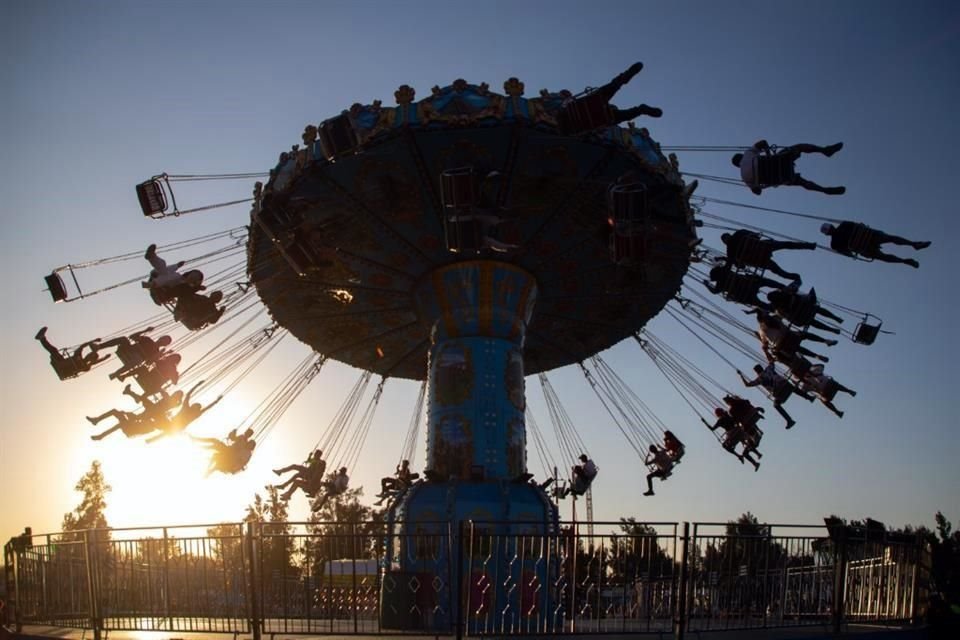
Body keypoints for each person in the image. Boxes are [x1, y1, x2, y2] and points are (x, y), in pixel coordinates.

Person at [556, 62, 662, 134]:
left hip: (586, 113)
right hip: (593, 112)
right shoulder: (606, 114)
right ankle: (624, 79)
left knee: (615, 98)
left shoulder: (567, 114)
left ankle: (640, 108)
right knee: (612, 88)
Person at [732, 140, 845, 196]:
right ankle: (824, 150)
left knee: (802, 183)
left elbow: (757, 192)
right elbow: (763, 142)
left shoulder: (745, 179)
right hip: (781, 161)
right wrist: (768, 155)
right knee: (799, 147)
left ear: (738, 166)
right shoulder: (747, 154)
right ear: (741, 156)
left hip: (783, 177)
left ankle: (825, 190)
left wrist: (759, 183)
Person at [87, 385, 183, 441]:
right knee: (116, 412)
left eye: (176, 394)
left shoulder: (174, 402)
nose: (174, 395)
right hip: (150, 411)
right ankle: (96, 421)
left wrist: (162, 390)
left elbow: (169, 400)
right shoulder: (170, 400)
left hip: (151, 413)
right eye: (175, 394)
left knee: (142, 401)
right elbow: (163, 393)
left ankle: (130, 393)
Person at [820, 221, 930, 268]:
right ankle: (913, 244)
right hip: (870, 237)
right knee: (890, 239)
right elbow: (859, 226)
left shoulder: (834, 244)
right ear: (832, 226)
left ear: (827, 233)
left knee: (885, 256)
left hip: (865, 247)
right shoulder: (844, 225)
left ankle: (905, 260)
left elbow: (848, 253)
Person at [721, 230, 816, 282]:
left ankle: (794, 277)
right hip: (764, 247)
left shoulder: (730, 251)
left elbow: (737, 265)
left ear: (725, 242)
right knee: (787, 245)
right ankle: (809, 246)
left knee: (778, 271)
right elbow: (755, 235)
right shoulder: (739, 233)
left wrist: (725, 265)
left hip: (760, 259)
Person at [738, 364, 811, 429]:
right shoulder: (769, 368)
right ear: (762, 368)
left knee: (776, 405)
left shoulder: (759, 379)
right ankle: (808, 397)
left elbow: (747, 385)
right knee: (792, 388)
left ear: (756, 372)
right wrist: (766, 351)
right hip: (786, 385)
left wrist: (741, 376)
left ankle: (789, 420)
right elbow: (772, 361)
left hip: (780, 393)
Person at [145, 381, 222, 443]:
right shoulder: (191, 410)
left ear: (195, 407)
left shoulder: (192, 411)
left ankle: (150, 428)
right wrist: (197, 385)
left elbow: (205, 407)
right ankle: (150, 432)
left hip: (175, 425)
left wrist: (215, 401)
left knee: (163, 429)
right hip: (175, 425)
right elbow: (188, 395)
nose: (193, 406)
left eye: (195, 406)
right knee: (163, 429)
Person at [96, 329, 174, 380]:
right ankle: (99, 346)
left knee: (138, 360)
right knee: (124, 339)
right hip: (129, 350)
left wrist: (162, 354)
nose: (162, 341)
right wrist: (145, 330)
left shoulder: (157, 352)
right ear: (160, 338)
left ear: (165, 344)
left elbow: (149, 362)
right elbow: (132, 337)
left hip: (136, 358)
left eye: (165, 341)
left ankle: (116, 373)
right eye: (163, 339)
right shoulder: (148, 340)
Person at [35, 327, 108, 380]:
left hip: (64, 370)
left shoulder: (86, 366)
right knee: (54, 350)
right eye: (90, 354)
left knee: (54, 352)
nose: (88, 355)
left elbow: (94, 363)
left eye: (91, 356)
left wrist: (104, 358)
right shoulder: (78, 356)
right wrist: (92, 341)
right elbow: (82, 347)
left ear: (91, 359)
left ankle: (42, 338)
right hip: (61, 363)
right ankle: (42, 338)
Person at [705, 263, 786, 308]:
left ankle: (772, 308)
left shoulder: (720, 284)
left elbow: (714, 291)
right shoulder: (725, 271)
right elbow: (730, 260)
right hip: (748, 284)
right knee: (764, 282)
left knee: (759, 303)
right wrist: (722, 259)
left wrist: (707, 284)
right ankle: (782, 287)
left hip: (744, 294)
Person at [766, 287, 843, 333]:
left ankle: (832, 328)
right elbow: (794, 299)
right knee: (816, 309)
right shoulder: (783, 299)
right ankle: (834, 318)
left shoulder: (778, 307)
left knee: (812, 321)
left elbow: (786, 316)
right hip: (803, 310)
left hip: (800, 317)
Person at [114, 352, 182, 395]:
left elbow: (174, 382)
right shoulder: (163, 362)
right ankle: (123, 376)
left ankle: (140, 396)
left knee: (144, 369)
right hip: (147, 379)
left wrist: (175, 375)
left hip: (152, 384)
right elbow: (151, 361)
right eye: (172, 357)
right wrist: (163, 354)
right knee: (143, 368)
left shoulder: (173, 370)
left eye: (174, 359)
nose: (172, 359)